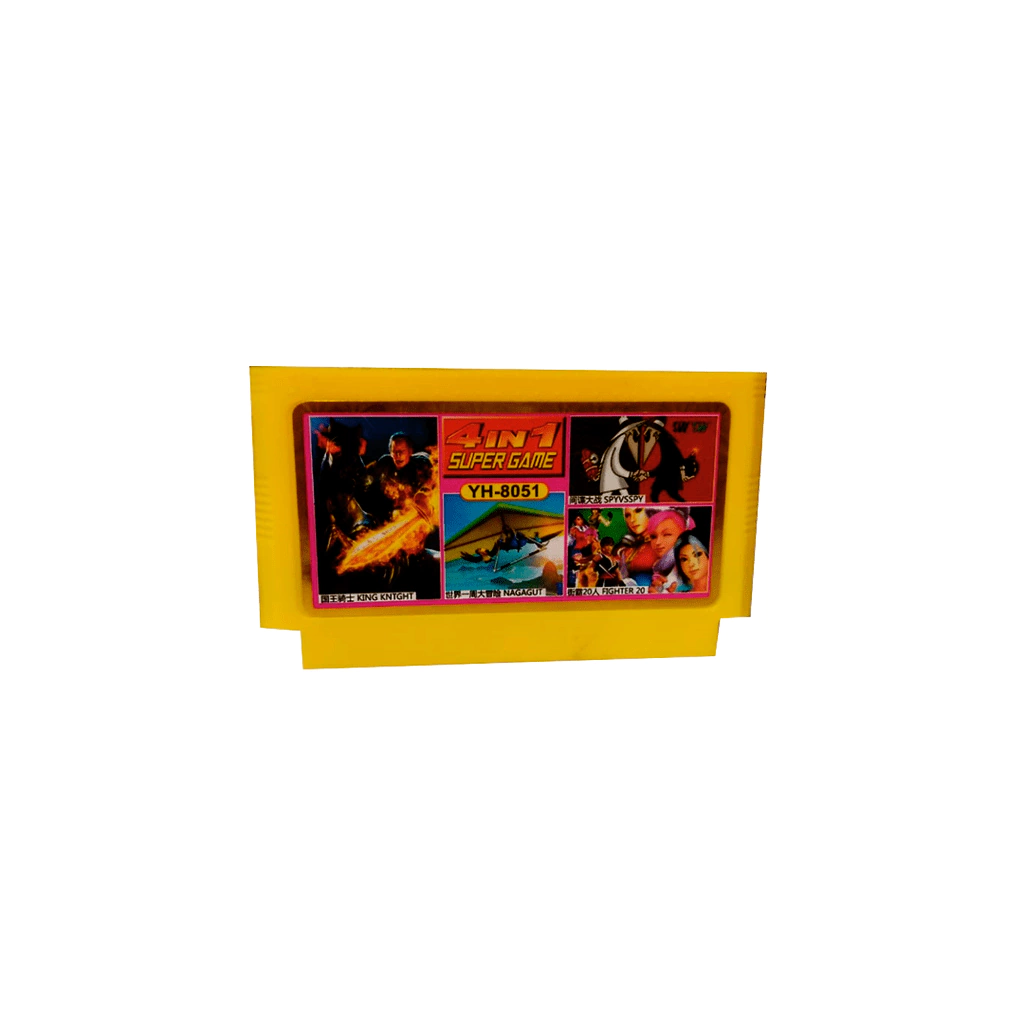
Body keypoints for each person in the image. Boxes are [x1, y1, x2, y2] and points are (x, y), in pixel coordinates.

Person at [366, 431, 433, 520]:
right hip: (391, 514)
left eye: (402, 451)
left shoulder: (421, 466)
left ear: (410, 451)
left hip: (417, 513)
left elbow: (432, 485)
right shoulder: (384, 463)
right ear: (390, 453)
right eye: (395, 451)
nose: (398, 455)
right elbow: (366, 476)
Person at [646, 509, 691, 593]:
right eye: (653, 537)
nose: (658, 542)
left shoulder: (690, 569)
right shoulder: (659, 569)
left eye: (667, 534)